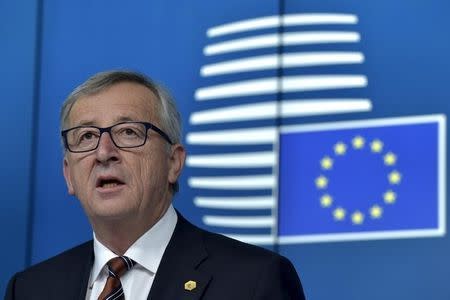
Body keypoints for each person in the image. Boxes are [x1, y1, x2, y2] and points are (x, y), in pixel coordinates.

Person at [5, 70, 306, 300]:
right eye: (86, 137)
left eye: (128, 132)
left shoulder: (254, 280)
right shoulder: (30, 289)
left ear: (173, 162)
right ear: (69, 175)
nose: (103, 152)